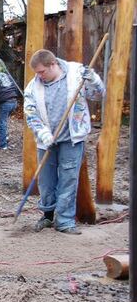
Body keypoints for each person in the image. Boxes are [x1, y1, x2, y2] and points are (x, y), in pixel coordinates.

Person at [24, 49, 105, 235]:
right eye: (37, 73)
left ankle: (65, 220)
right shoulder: (33, 87)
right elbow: (30, 113)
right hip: (46, 142)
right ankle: (47, 216)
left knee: (68, 179)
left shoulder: (77, 74)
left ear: (53, 65)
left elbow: (99, 95)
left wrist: (93, 79)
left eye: (42, 72)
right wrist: (43, 133)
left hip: (72, 138)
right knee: (46, 181)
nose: (39, 76)